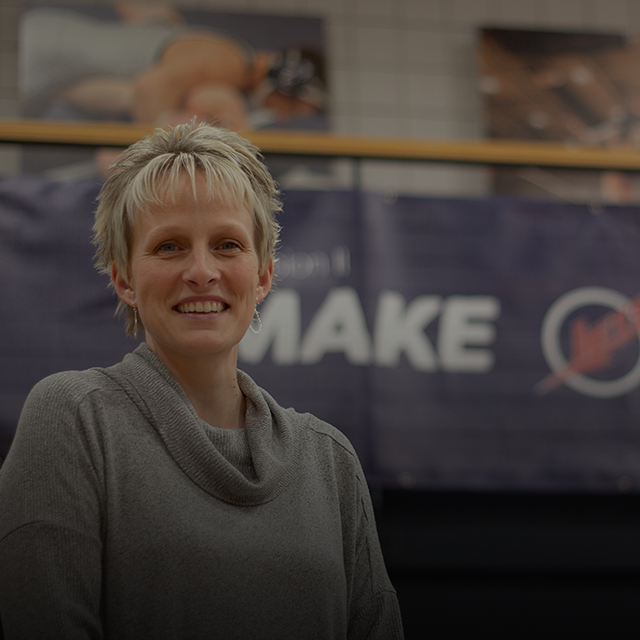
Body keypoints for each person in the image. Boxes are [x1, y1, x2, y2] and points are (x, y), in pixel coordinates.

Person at [0, 121, 403, 639]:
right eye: (169, 246)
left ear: (263, 275)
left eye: (227, 245)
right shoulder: (73, 420)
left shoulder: (330, 460)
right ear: (123, 278)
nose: (201, 271)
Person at [20, 5, 327, 131]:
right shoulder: (230, 63)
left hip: (47, 49)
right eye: (291, 107)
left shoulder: (223, 55)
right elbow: (150, 88)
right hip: (41, 53)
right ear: (287, 80)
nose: (282, 115)